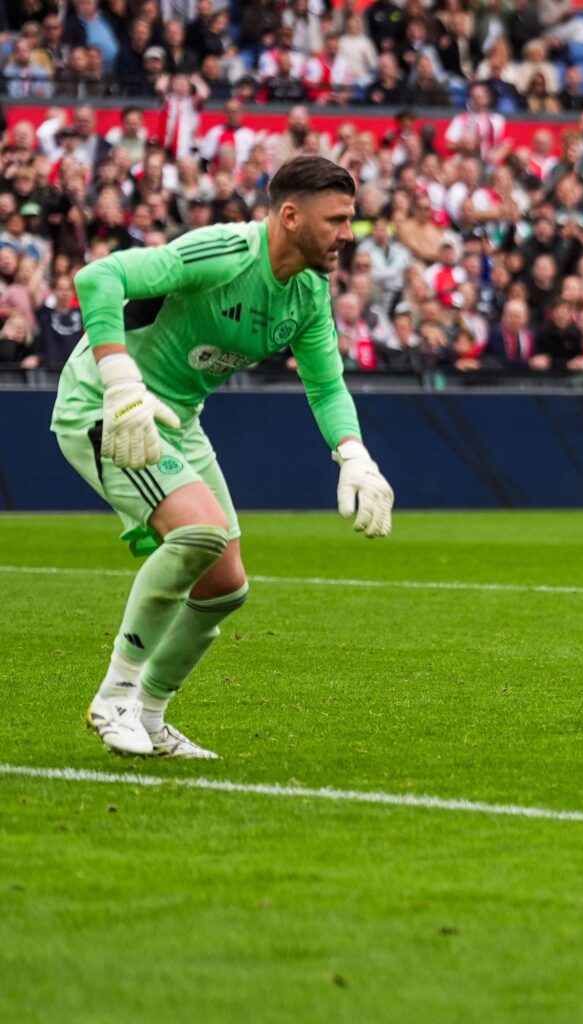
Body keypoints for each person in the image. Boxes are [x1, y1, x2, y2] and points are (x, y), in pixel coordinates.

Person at [50, 155, 396, 759]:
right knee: (201, 533)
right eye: (337, 219)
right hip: (107, 404)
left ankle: (152, 718)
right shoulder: (224, 253)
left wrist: (354, 456)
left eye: (352, 219)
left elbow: (326, 384)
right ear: (290, 216)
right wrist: (119, 378)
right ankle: (114, 699)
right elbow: (98, 279)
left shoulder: (309, 293)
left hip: (177, 421)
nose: (349, 234)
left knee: (225, 586)